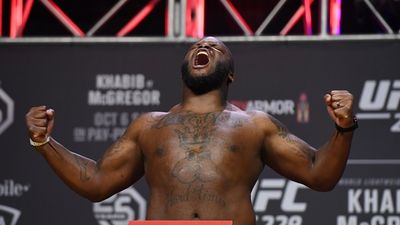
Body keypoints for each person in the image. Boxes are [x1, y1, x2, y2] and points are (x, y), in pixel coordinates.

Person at [25, 37, 357, 225]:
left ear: (231, 75)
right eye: (198, 46)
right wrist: (43, 141)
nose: (205, 47)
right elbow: (97, 182)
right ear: (185, 66)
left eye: (217, 49)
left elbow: (319, 174)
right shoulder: (149, 126)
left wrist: (344, 127)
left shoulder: (255, 125)